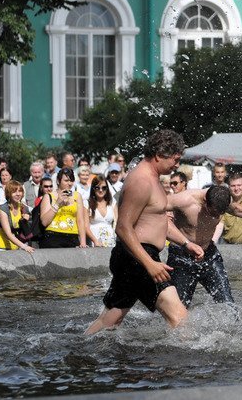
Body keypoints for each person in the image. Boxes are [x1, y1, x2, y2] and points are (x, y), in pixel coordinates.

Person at [85, 130, 188, 334]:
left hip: (133, 257)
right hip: (139, 258)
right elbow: (123, 227)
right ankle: (182, 365)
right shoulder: (141, 180)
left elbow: (155, 221)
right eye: (175, 159)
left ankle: (79, 349)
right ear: (159, 155)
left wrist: (186, 243)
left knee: (110, 319)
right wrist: (149, 264)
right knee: (181, 319)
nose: (177, 165)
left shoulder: (151, 177)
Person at [165, 185, 242, 307]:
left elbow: (236, 210)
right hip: (182, 256)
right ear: (205, 201)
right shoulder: (184, 200)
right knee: (178, 309)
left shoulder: (222, 200)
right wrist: (186, 243)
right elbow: (154, 212)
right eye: (212, 212)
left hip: (209, 255)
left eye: (219, 214)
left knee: (228, 305)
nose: (215, 217)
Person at [39, 168, 88, 248]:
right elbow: (44, 222)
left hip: (72, 237)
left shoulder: (77, 196)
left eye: (71, 180)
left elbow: (80, 220)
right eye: (66, 180)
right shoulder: (49, 196)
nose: (69, 183)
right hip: (53, 237)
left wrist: (83, 242)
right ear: (58, 181)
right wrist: (58, 203)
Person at [0, 180, 34, 254]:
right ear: (8, 194)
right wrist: (24, 246)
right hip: (2, 247)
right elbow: (8, 233)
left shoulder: (24, 208)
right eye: (14, 192)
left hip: (17, 247)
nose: (18, 194)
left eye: (20, 191)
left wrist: (27, 221)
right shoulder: (2, 209)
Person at [87, 174, 118, 247]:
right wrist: (95, 241)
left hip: (111, 240)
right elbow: (85, 226)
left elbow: (116, 222)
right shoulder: (87, 203)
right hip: (94, 242)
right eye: (97, 187)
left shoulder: (112, 202)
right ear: (93, 188)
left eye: (104, 188)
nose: (101, 190)